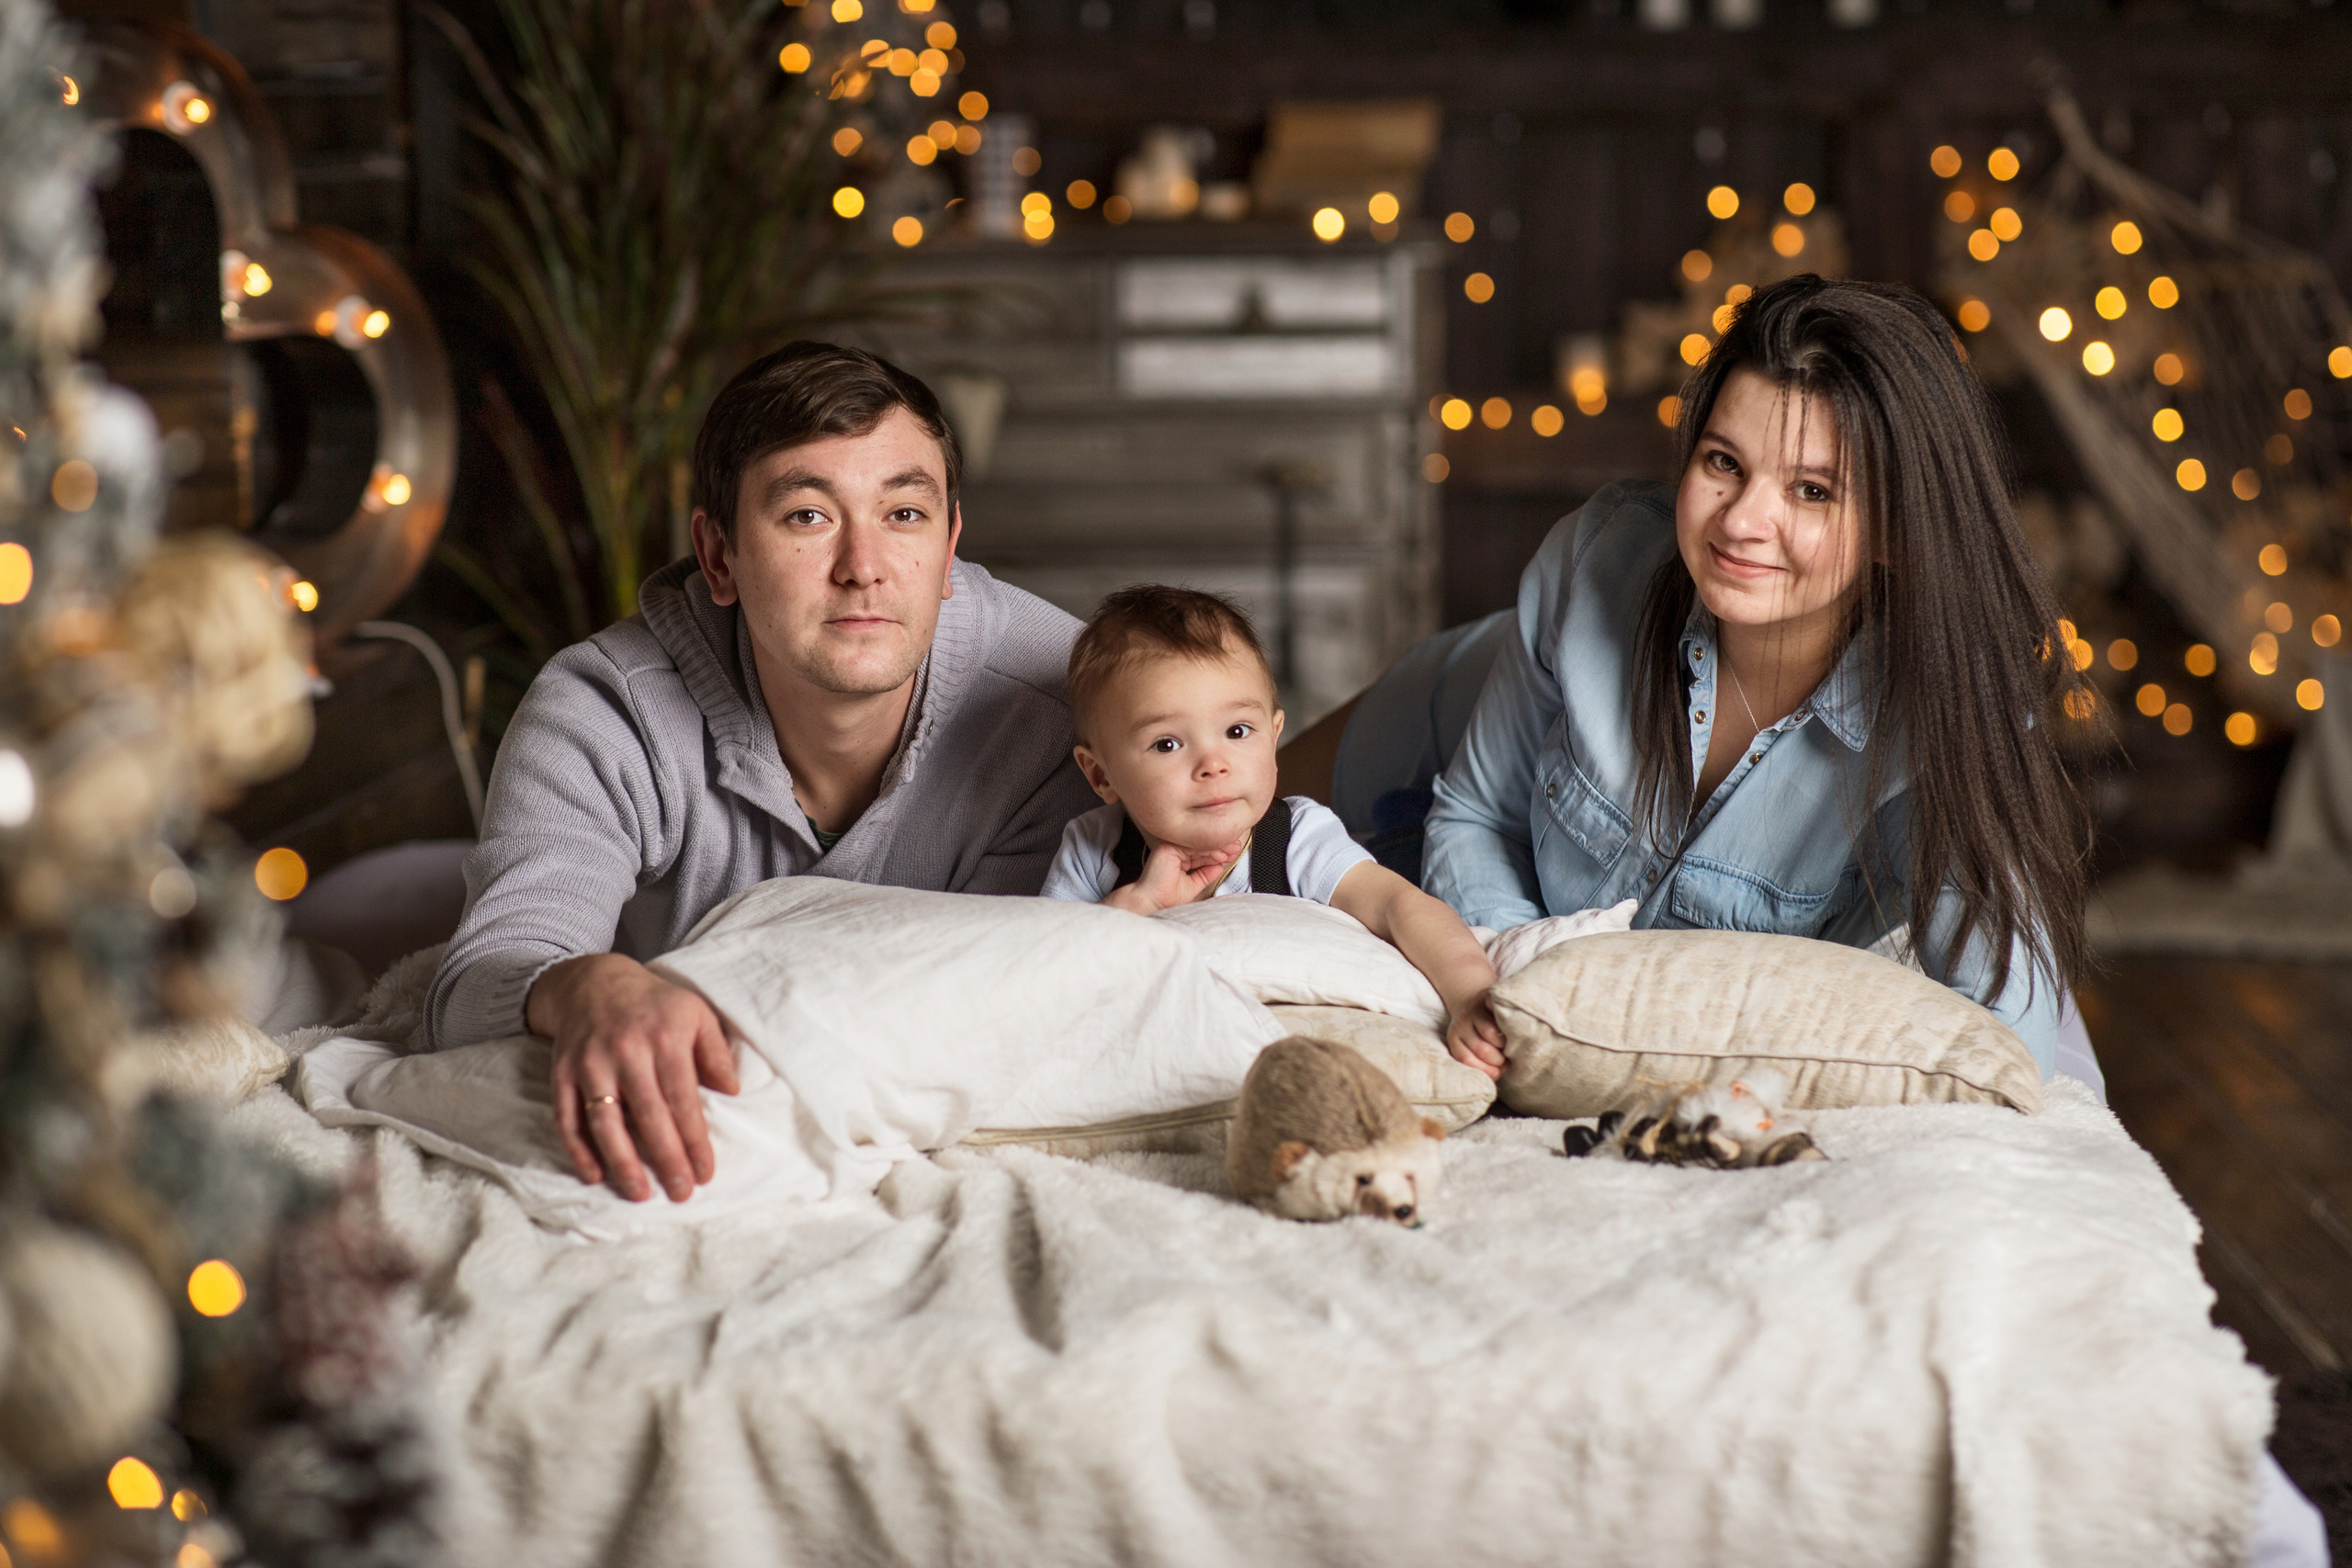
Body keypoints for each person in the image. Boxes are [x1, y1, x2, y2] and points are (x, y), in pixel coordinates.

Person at [424, 342, 1100, 1202]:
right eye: (808, 516)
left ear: (951, 539)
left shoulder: (1062, 702)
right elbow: (474, 986)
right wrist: (587, 985)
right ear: (718, 556)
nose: (865, 566)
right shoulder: (604, 711)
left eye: (904, 515)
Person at [1423, 274, 2093, 1073]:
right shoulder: (1592, 557)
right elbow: (1473, 814)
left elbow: (2000, 1018)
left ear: (1895, 531)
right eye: (1723, 462)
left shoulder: (1949, 706)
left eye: (1812, 491)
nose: (1741, 521)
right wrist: (1516, 990)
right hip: (1422, 714)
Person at [1040, 586, 1508, 1076]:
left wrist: (1469, 995)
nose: (1214, 764)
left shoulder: (1296, 837)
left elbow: (1398, 906)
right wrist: (1139, 905)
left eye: (1238, 731)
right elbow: (1045, 971)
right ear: (1101, 775)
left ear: (1274, 734)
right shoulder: (1095, 850)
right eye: (1167, 743)